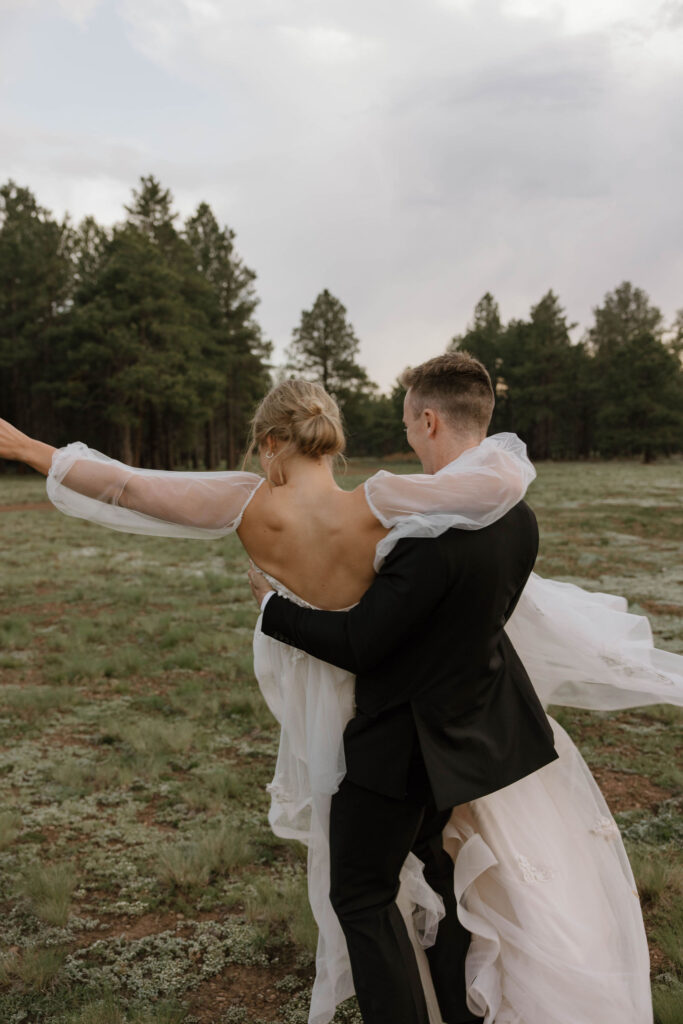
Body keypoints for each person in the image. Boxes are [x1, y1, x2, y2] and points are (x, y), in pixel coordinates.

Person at [0, 360, 680, 1023]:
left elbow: (126, 486)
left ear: (269, 441)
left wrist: (29, 448)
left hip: (358, 719)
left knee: (361, 887)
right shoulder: (387, 507)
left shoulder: (247, 503)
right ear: (331, 438)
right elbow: (492, 490)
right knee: (431, 864)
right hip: (439, 721)